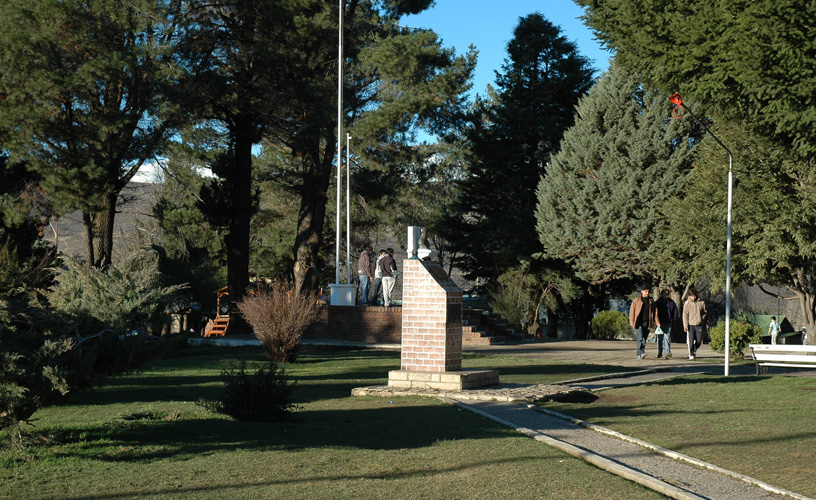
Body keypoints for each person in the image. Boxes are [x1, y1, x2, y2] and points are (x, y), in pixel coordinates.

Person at [629, 287, 656, 359]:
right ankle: (640, 353)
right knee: (640, 337)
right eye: (645, 291)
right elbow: (632, 312)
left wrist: (655, 321)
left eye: (648, 291)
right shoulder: (636, 301)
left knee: (644, 338)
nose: (647, 293)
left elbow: (654, 312)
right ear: (642, 291)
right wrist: (632, 321)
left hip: (647, 322)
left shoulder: (651, 301)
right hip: (638, 322)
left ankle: (642, 351)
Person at [682, 288, 707, 360]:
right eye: (692, 296)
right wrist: (685, 325)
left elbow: (705, 312)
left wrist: (702, 318)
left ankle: (694, 349)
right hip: (690, 325)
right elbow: (685, 315)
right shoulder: (687, 303)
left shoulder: (701, 302)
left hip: (699, 324)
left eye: (695, 296)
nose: (694, 297)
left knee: (699, 340)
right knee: (691, 340)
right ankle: (691, 354)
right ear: (689, 296)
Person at [654, 289, 679, 359]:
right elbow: (655, 312)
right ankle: (659, 352)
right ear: (662, 295)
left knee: (667, 337)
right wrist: (656, 321)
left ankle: (667, 352)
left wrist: (673, 319)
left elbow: (675, 311)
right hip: (660, 323)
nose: (667, 296)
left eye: (668, 294)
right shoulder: (658, 303)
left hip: (668, 322)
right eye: (665, 294)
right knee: (659, 338)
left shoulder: (671, 302)